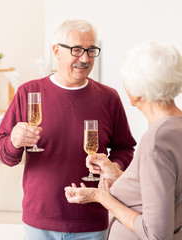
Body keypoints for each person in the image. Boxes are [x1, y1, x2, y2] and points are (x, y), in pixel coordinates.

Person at [0, 19, 136, 240]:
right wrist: (14, 141)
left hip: (92, 220)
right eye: (77, 50)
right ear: (57, 51)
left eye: (91, 50)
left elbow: (125, 147)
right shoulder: (28, 92)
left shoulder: (109, 97)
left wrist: (113, 166)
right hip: (39, 222)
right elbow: (6, 156)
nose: (85, 58)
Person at [64, 41, 182, 239]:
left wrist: (99, 196)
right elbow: (164, 193)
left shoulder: (156, 140)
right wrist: (117, 174)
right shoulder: (175, 128)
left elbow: (156, 234)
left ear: (137, 90)